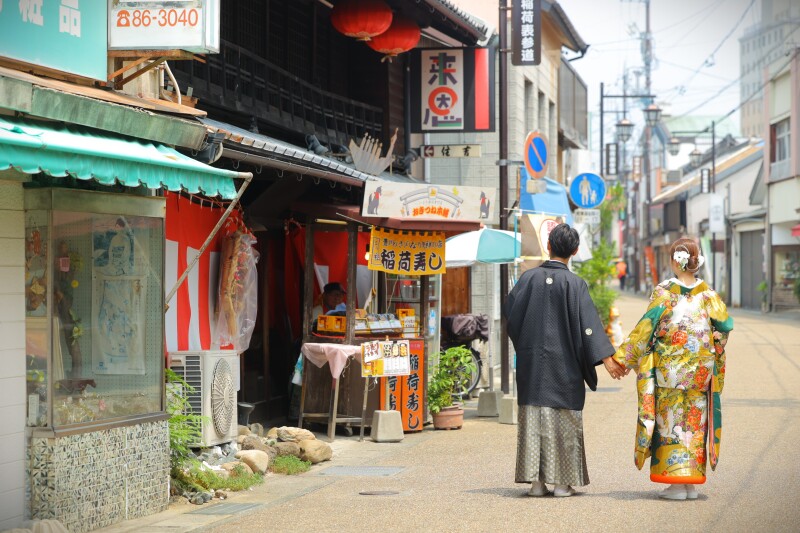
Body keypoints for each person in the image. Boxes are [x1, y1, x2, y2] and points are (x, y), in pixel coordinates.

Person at [504, 223, 624, 498]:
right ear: (575, 251)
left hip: (533, 364)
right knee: (564, 421)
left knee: (534, 419)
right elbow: (589, 326)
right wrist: (607, 359)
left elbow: (511, 316)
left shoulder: (527, 279)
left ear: (549, 245)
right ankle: (561, 484)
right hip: (565, 366)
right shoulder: (575, 284)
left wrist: (526, 346)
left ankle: (536, 483)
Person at [613, 238, 733, 501]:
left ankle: (677, 484)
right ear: (695, 261)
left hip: (669, 374)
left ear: (674, 260)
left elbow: (646, 328)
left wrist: (623, 359)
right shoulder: (709, 295)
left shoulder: (664, 291)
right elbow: (724, 328)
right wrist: (712, 352)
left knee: (672, 426)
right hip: (700, 375)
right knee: (695, 426)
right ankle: (691, 483)